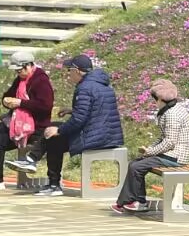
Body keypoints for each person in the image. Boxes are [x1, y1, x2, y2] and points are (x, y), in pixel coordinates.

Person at [26, 53, 123, 198]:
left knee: (54, 136)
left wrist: (59, 130)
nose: (68, 74)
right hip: (109, 135)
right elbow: (96, 110)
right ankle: (34, 162)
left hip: (96, 138)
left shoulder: (84, 88)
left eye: (69, 70)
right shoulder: (102, 85)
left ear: (77, 71)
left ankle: (46, 176)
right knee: (53, 130)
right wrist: (72, 111)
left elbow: (79, 120)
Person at [0, 48, 53, 189]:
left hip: (36, 129)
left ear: (28, 66)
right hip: (18, 125)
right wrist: (6, 101)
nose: (18, 73)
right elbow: (8, 95)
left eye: (19, 70)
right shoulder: (20, 80)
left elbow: (45, 106)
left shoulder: (41, 80)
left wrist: (21, 103)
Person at [114, 79, 189, 215]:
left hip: (175, 157)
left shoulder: (172, 114)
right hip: (170, 154)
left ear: (160, 99)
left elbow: (169, 142)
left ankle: (138, 202)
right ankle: (131, 201)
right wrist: (149, 149)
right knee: (135, 164)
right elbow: (163, 137)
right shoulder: (170, 110)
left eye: (155, 99)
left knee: (136, 167)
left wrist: (151, 152)